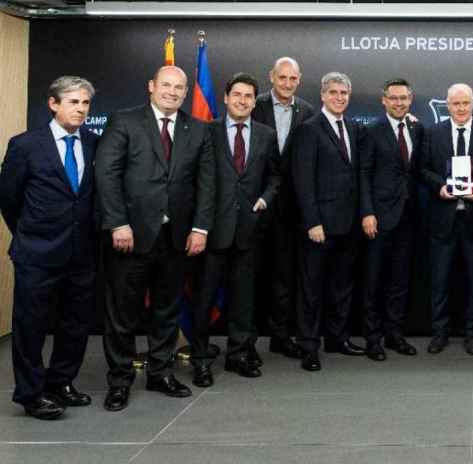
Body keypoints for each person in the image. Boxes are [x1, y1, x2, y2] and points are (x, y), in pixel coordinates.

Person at [96, 65, 215, 411]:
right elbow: (107, 173)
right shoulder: (125, 120)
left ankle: (160, 373)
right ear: (151, 86)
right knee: (122, 314)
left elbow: (207, 184)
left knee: (167, 310)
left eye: (179, 87)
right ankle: (119, 381)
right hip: (129, 236)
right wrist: (117, 223)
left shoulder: (199, 129)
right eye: (166, 85)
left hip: (176, 237)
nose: (173, 92)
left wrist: (201, 228)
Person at [0, 76, 98, 420]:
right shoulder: (25, 145)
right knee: (31, 327)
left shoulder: (93, 142)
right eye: (73, 102)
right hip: (37, 253)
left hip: (81, 252)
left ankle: (61, 383)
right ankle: (30, 393)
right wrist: (31, 234)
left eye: (85, 103)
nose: (81, 110)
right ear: (53, 104)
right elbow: (9, 200)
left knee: (75, 323)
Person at [190, 73, 281, 387]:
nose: (243, 101)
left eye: (249, 96)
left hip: (249, 231)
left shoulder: (266, 135)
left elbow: (275, 177)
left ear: (254, 102)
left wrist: (265, 199)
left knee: (244, 301)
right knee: (203, 300)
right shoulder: (205, 131)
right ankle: (200, 360)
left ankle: (238, 355)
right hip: (211, 231)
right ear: (226, 98)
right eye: (237, 95)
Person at [290, 72, 365, 371]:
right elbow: (302, 180)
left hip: (348, 225)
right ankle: (309, 346)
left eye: (344, 93)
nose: (339, 97)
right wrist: (312, 222)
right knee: (311, 289)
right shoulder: (309, 129)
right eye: (333, 92)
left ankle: (337, 338)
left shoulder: (354, 128)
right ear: (322, 95)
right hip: (319, 227)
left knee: (341, 287)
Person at [420, 83, 473, 355]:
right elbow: (423, 169)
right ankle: (440, 332)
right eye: (456, 103)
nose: (461, 108)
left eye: (466, 103)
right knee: (439, 280)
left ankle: (472, 333)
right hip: (443, 219)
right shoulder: (433, 133)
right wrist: (439, 186)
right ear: (447, 105)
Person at [250, 57, 316, 361]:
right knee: (248, 277)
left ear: (299, 80)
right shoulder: (254, 104)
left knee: (283, 277)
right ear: (271, 77)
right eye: (282, 78)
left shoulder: (308, 112)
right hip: (255, 203)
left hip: (290, 209)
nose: (287, 84)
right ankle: (246, 341)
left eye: (293, 79)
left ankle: (279, 336)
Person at [359, 78, 423, 361]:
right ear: (383, 100)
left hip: (409, 218)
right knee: (374, 280)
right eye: (393, 98)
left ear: (410, 99)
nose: (399, 103)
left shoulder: (417, 128)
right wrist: (367, 212)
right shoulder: (371, 130)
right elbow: (363, 174)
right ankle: (373, 339)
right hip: (379, 217)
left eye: (404, 98)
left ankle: (394, 334)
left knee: (400, 280)